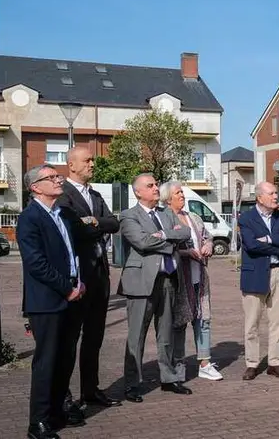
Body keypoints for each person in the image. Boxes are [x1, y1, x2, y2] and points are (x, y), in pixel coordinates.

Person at [17, 164, 86, 439]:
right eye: (52, 177)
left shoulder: (63, 214)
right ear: (35, 187)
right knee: (46, 361)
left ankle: (58, 410)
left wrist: (78, 281)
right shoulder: (30, 218)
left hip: (72, 294)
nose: (59, 180)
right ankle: (39, 422)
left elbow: (72, 253)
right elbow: (35, 263)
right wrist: (65, 288)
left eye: (58, 176)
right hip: (47, 300)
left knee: (65, 358)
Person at [56, 146, 121, 409]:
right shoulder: (64, 195)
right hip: (78, 277)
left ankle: (90, 389)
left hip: (100, 276)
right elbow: (72, 228)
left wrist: (93, 222)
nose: (92, 164)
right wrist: (95, 224)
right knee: (70, 338)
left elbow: (113, 223)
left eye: (93, 160)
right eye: (87, 160)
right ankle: (64, 395)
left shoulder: (94, 194)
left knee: (94, 337)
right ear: (71, 165)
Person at [118, 173, 192, 401]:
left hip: (168, 279)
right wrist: (170, 240)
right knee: (136, 336)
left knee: (166, 333)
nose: (156, 188)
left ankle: (169, 378)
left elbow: (186, 232)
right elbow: (142, 241)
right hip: (141, 282)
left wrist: (163, 234)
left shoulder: (166, 212)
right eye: (150, 186)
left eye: (156, 184)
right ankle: (132, 384)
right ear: (138, 191)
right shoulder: (129, 216)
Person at [160, 180, 223, 381]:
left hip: (200, 278)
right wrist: (187, 252)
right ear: (168, 198)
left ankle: (205, 363)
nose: (182, 196)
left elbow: (207, 237)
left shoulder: (193, 217)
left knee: (203, 319)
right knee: (179, 323)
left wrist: (209, 246)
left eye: (182, 192)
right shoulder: (164, 218)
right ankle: (178, 366)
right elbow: (164, 244)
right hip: (179, 280)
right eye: (178, 193)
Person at [239, 181, 279, 379]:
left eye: (276, 193)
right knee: (252, 322)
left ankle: (275, 363)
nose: (275, 197)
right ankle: (252, 364)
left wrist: (269, 239)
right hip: (255, 274)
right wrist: (277, 242)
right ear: (259, 197)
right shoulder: (246, 218)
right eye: (271, 193)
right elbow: (251, 245)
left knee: (277, 321)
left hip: (278, 273)